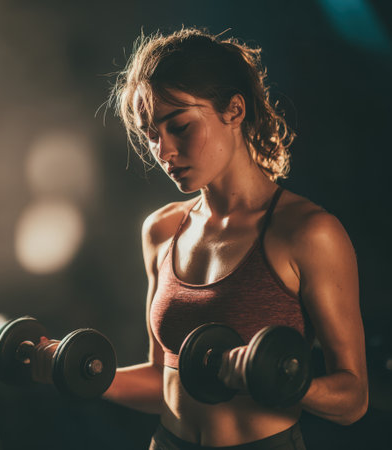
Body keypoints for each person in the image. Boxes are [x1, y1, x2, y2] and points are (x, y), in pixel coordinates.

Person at [34, 27, 369, 449]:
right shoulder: (161, 231)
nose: (164, 150)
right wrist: (80, 371)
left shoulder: (307, 232)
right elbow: (164, 381)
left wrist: (278, 379)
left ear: (234, 110)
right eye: (150, 134)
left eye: (179, 126)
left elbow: (353, 399)